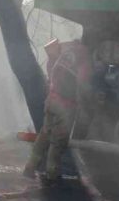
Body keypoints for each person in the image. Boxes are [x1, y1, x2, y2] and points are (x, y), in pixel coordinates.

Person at [24, 39, 91, 184]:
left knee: (44, 136)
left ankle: (30, 167)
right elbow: (83, 81)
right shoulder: (82, 57)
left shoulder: (56, 61)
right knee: (57, 141)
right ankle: (52, 174)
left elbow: (51, 82)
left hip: (51, 102)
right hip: (65, 106)